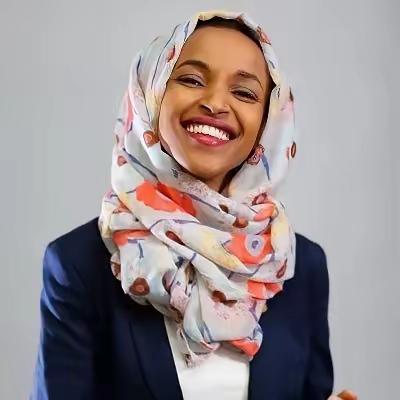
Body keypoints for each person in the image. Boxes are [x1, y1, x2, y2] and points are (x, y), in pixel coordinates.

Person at [30, 10, 357, 400]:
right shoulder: (78, 264)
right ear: (149, 95)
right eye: (191, 80)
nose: (215, 103)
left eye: (244, 93)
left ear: (268, 121)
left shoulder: (297, 266)